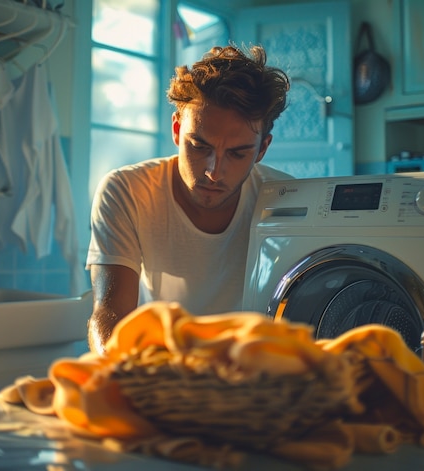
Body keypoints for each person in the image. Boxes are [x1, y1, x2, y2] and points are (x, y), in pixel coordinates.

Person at [86, 44, 291, 354]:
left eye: (237, 154)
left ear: (262, 149)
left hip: (254, 368)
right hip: (162, 362)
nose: (213, 172)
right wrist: (124, 374)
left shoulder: (289, 199)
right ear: (177, 129)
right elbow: (110, 313)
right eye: (199, 146)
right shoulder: (127, 191)